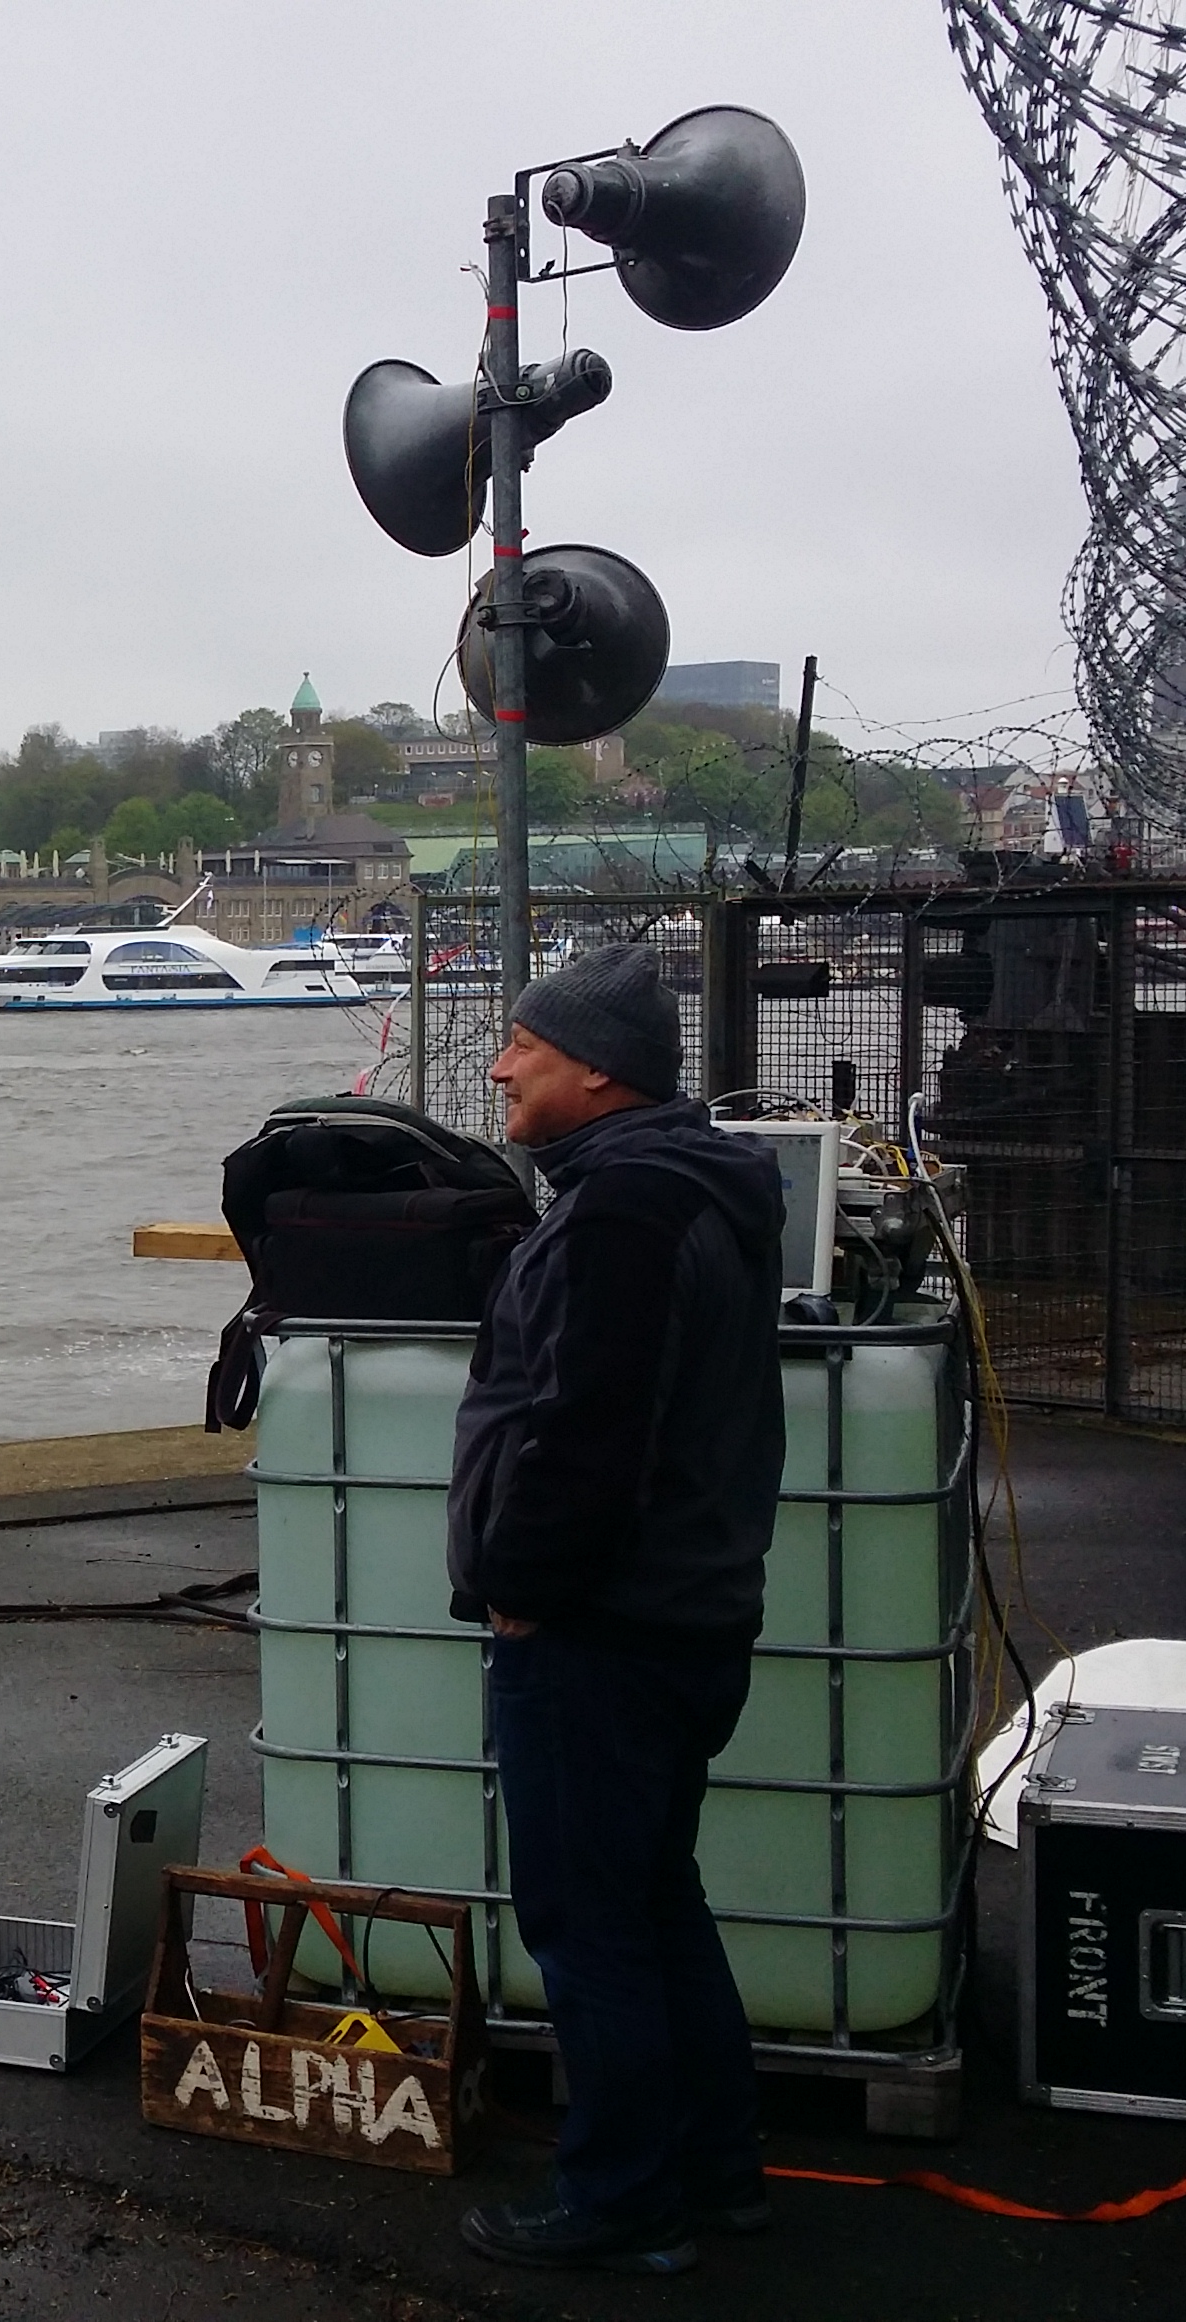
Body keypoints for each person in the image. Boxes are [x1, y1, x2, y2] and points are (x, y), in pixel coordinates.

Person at [446, 942, 787, 2277]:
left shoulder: (624, 1211)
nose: (498, 1063)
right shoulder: (696, 1188)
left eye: (522, 1043)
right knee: (654, 1899)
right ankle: (718, 2167)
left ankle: (620, 2191)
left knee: (588, 1923)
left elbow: (587, 1437)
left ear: (596, 1067)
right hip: (688, 1618)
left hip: (601, 1635)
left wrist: (522, 1592)